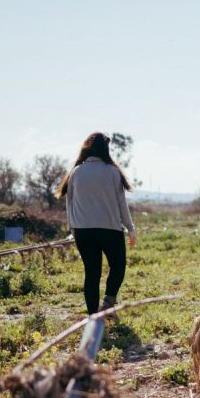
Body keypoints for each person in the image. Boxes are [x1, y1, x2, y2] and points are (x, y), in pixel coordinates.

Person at [55, 132, 136, 314]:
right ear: (105, 149)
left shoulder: (76, 172)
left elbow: (70, 204)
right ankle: (108, 303)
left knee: (92, 273)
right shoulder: (113, 171)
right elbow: (121, 203)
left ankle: (93, 316)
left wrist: (73, 228)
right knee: (118, 266)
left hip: (83, 231)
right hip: (110, 230)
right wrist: (130, 228)